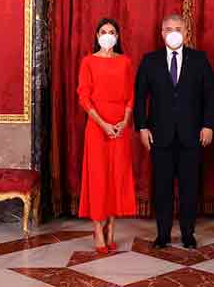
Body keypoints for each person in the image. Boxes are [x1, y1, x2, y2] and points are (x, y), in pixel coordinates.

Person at [135, 14, 214, 249]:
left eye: (177, 28)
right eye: (168, 29)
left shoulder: (199, 59)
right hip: (160, 135)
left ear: (186, 31)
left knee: (190, 187)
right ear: (161, 33)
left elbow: (209, 95)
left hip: (192, 135)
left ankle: (188, 233)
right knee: (162, 187)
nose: (173, 32)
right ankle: (162, 234)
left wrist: (208, 125)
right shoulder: (150, 61)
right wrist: (142, 127)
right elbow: (140, 97)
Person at [78, 18, 137, 254]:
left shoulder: (125, 62)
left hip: (121, 126)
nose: (108, 35)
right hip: (97, 126)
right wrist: (103, 124)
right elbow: (84, 97)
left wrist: (124, 121)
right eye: (104, 31)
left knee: (116, 177)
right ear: (96, 35)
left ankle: (111, 228)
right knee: (98, 177)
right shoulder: (88, 62)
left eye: (112, 32)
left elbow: (131, 94)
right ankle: (97, 229)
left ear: (118, 36)